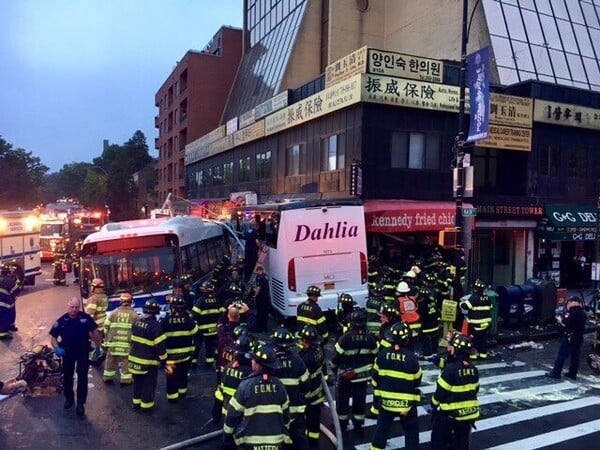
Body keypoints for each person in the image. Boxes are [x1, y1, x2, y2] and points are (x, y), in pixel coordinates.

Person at [222, 343, 291, 450]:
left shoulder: (246, 386)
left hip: (249, 443)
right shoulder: (279, 385)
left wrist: (227, 436)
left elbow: (232, 414)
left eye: (254, 360)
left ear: (258, 365)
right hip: (276, 442)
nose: (251, 361)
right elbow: (286, 415)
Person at [370, 322, 422, 450]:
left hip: (386, 403)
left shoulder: (381, 355)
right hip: (406, 405)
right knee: (411, 431)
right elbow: (417, 380)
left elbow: (374, 379)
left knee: (382, 429)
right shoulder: (412, 358)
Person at [50, 297, 102, 416]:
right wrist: (57, 348)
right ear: (68, 306)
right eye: (72, 307)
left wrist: (98, 347)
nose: (74, 310)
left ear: (79, 307)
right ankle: (69, 399)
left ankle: (80, 403)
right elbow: (53, 337)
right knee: (68, 377)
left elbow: (95, 332)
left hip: (83, 352)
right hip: (68, 353)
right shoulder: (62, 321)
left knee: (82, 377)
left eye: (76, 307)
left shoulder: (85, 318)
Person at [430, 333, 480, 450]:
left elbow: (440, 393)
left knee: (438, 440)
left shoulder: (450, 370)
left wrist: (433, 405)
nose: (448, 349)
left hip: (450, 414)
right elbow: (475, 389)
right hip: (468, 414)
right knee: (462, 442)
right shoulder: (474, 370)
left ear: (456, 350)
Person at [331, 308, 378, 432]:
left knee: (342, 399)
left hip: (345, 375)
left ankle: (342, 424)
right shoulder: (370, 338)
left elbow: (336, 357)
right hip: (362, 375)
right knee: (359, 399)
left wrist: (334, 369)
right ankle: (358, 423)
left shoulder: (345, 338)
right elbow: (375, 355)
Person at [271, 326, 311, 450]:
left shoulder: (270, 362)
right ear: (290, 345)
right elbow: (306, 384)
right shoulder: (298, 361)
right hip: (296, 410)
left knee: (278, 440)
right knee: (300, 439)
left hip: (276, 412)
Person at [128, 299, 168, 412]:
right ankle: (146, 406)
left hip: (134, 360)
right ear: (155, 313)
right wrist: (164, 359)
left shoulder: (137, 322)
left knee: (137, 383)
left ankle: (136, 403)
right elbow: (160, 346)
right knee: (148, 385)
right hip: (148, 362)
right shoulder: (155, 326)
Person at [160, 294, 198, 402]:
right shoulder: (188, 320)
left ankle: (172, 397)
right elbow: (195, 332)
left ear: (171, 307)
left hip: (170, 358)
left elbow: (160, 337)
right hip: (185, 356)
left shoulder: (165, 321)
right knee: (183, 374)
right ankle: (182, 393)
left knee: (171, 377)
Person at [213, 333, 255, 422]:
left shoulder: (228, 367)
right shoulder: (251, 373)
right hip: (244, 417)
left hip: (227, 414)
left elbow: (220, 393)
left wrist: (216, 416)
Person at [297, 324, 326, 448]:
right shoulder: (319, 350)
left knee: (302, 421)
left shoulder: (305, 358)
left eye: (303, 340)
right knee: (314, 419)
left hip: (308, 394)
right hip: (317, 391)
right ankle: (314, 441)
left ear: (306, 341)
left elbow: (301, 377)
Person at [546, 295, 587, 380]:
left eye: (570, 302)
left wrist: (559, 320)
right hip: (579, 337)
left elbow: (565, 323)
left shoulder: (570, 313)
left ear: (573, 302)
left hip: (570, 337)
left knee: (561, 355)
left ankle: (556, 373)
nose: (568, 304)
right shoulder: (583, 313)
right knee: (575, 357)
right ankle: (572, 374)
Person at [102, 292, 139, 385]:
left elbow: (105, 327)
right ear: (131, 302)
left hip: (113, 343)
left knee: (110, 360)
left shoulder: (113, 313)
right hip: (127, 344)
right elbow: (138, 330)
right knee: (126, 361)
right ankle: (125, 380)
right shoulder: (134, 315)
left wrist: (106, 341)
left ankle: (108, 377)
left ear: (120, 301)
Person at [459, 279, 492, 359]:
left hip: (475, 324)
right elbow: (490, 307)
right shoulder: (486, 297)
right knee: (483, 339)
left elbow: (466, 306)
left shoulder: (474, 297)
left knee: (474, 339)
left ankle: (473, 355)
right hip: (486, 323)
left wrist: (461, 303)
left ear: (475, 288)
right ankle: (483, 354)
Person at [192, 292, 224, 368]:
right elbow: (220, 313)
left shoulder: (200, 301)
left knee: (197, 346)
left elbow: (194, 314)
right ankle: (209, 363)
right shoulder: (216, 300)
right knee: (210, 346)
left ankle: (194, 362)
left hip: (202, 329)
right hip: (214, 329)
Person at [251, 264, 270, 332]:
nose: (257, 273)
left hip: (261, 298)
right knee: (265, 313)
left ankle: (260, 328)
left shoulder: (260, 278)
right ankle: (265, 328)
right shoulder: (265, 276)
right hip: (266, 297)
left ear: (259, 270)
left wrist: (255, 295)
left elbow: (259, 288)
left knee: (260, 313)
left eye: (257, 272)